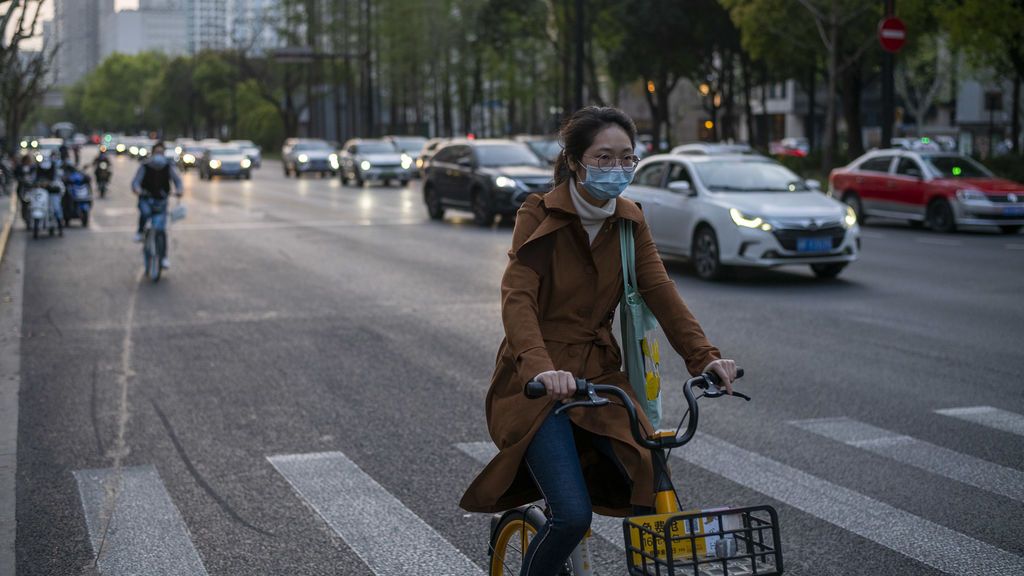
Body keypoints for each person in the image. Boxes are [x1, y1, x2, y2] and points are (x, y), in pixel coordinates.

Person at [460, 107, 738, 576]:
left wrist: (704, 359)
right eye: (603, 158)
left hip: (601, 378)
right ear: (574, 161)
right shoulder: (539, 214)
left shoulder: (631, 221)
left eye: (627, 158)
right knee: (571, 515)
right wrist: (539, 367)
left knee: (652, 487)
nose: (617, 170)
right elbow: (518, 298)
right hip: (536, 385)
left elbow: (662, 293)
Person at [131, 141, 183, 269]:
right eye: (157, 152)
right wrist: (137, 190)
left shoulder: (168, 166)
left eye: (161, 152)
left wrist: (179, 190)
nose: (159, 154)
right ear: (153, 153)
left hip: (161, 201)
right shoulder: (144, 166)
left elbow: (177, 181)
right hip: (146, 199)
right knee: (145, 213)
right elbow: (135, 183)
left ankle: (163, 257)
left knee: (161, 230)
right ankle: (139, 232)